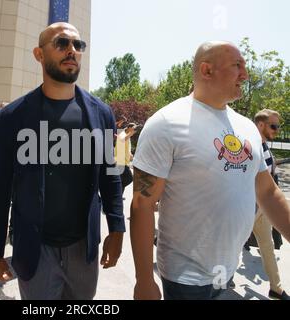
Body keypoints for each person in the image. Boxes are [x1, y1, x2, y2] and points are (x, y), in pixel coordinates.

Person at [130, 41, 290, 300]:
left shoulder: (247, 127)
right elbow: (141, 204)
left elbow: (267, 192)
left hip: (226, 275)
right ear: (206, 70)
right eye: (237, 65)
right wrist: (144, 280)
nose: (245, 75)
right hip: (184, 280)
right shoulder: (166, 123)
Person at [0, 22, 125, 300]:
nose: (72, 50)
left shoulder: (101, 113)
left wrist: (117, 228)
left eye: (78, 45)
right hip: (35, 250)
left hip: (84, 247)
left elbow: (112, 175)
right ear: (39, 54)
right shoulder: (12, 117)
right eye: (61, 44)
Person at [247, 109, 289, 300]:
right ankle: (221, 279)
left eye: (278, 126)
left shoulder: (264, 146)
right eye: (274, 126)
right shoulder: (249, 146)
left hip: (263, 208)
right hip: (248, 209)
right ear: (261, 125)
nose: (277, 130)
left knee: (267, 245)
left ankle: (276, 288)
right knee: (230, 246)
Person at [115, 123, 138, 195]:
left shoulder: (127, 135)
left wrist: (130, 154)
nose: (134, 130)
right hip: (120, 161)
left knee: (123, 180)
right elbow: (122, 140)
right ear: (129, 128)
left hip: (124, 161)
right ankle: (117, 193)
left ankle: (118, 194)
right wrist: (131, 134)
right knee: (129, 179)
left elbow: (126, 146)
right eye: (133, 129)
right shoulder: (123, 134)